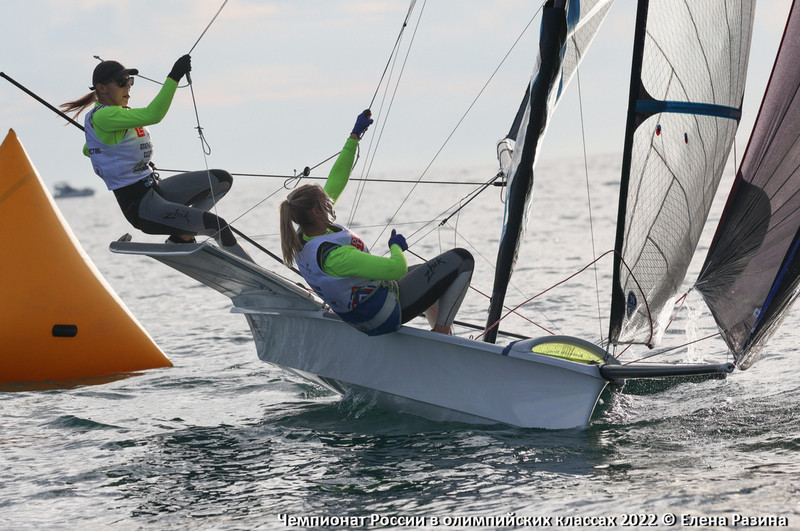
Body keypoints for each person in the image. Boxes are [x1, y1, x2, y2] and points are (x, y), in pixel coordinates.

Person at [279, 110, 474, 336]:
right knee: (462, 260)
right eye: (325, 201)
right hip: (383, 315)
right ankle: (442, 336)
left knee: (428, 271)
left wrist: (354, 136)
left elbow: (336, 180)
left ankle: (443, 334)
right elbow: (396, 268)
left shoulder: (306, 235)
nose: (330, 201)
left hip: (366, 311)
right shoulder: (335, 255)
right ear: (315, 211)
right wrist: (396, 247)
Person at [60, 56, 251, 260]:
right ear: (102, 88)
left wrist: (131, 160)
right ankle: (256, 276)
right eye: (122, 82)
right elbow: (154, 114)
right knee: (216, 225)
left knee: (221, 180)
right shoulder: (105, 116)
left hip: (155, 190)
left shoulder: (112, 116)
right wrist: (174, 76)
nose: (128, 87)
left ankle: (183, 235)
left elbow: (88, 149)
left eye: (130, 81)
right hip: (143, 207)